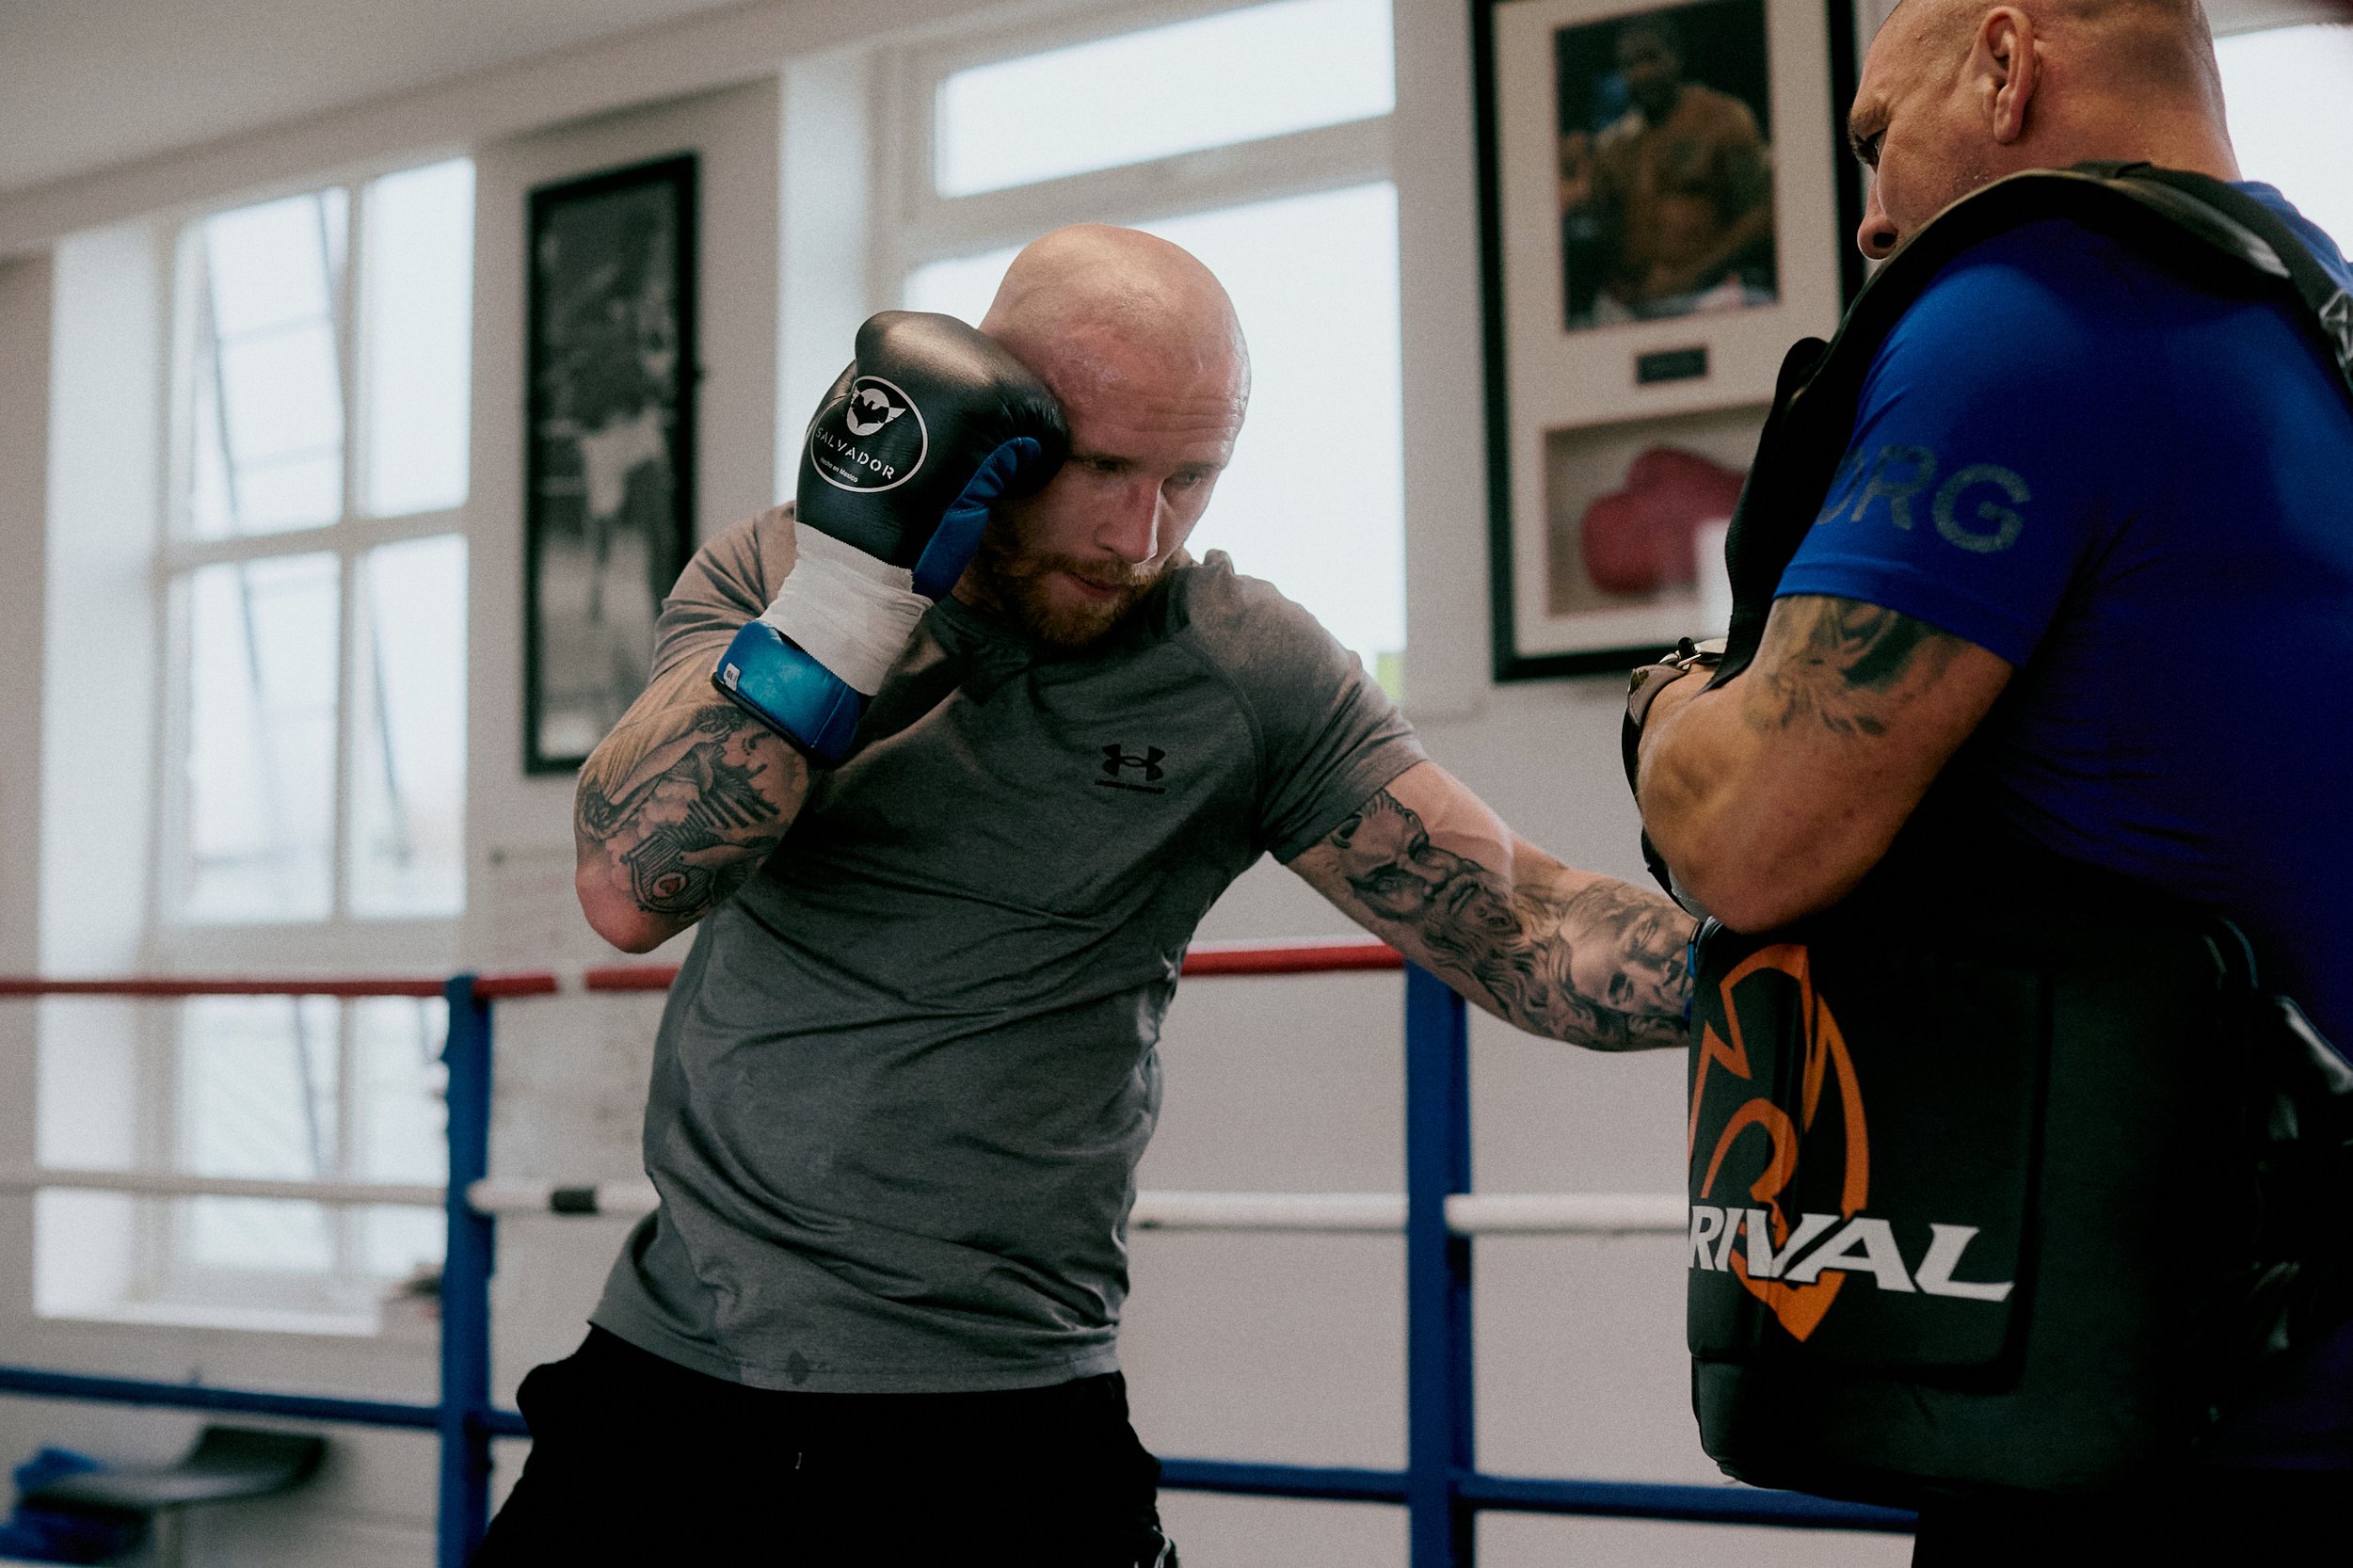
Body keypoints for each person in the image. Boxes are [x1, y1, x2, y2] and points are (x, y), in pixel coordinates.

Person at [473, 225, 1696, 1566]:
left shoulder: (1244, 668)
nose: (1141, 533)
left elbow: (1519, 919)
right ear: (989, 417)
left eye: (1193, 477)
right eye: (1104, 467)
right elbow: (629, 884)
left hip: (994, 1418)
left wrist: (1816, 950)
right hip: (670, 1377)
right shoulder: (783, 576)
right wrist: (852, 593)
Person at [1629, 0, 2352, 1559]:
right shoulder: (2316, 325)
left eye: (1881, 141)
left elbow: (1758, 837)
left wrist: (1669, 709)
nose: (1877, 215)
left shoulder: (2027, 311)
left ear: (2006, 64)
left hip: (2152, 1432)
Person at [1584, 14, 1776, 322]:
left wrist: (1691, 276)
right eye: (1629, 65)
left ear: (1676, 57)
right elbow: (1601, 233)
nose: (1641, 73)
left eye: (1651, 58)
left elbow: (1761, 215)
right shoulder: (1614, 147)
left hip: (1709, 295)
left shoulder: (1723, 118)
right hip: (1632, 305)